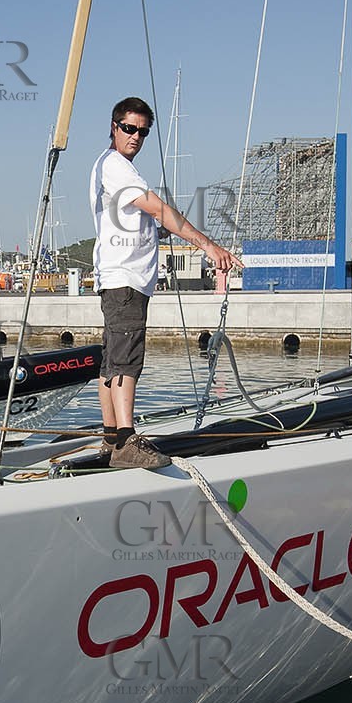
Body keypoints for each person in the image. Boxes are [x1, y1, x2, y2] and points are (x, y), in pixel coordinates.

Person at [92, 96, 239, 468]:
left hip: (116, 278)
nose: (135, 137)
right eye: (129, 128)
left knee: (111, 361)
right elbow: (159, 209)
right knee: (126, 361)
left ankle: (111, 440)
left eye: (143, 131)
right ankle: (126, 443)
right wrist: (208, 245)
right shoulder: (117, 168)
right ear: (114, 126)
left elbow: (144, 220)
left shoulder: (107, 167)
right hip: (125, 279)